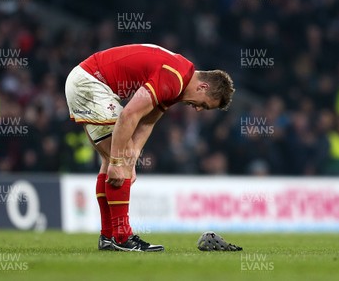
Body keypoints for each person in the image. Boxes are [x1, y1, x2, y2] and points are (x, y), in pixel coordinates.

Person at [64, 43, 234, 251]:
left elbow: (147, 122)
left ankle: (108, 237)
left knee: (113, 161)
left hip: (86, 80)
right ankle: (122, 237)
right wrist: (121, 161)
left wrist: (130, 160)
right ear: (203, 87)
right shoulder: (173, 77)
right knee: (117, 161)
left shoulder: (179, 79)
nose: (198, 110)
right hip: (90, 83)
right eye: (204, 104)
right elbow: (129, 114)